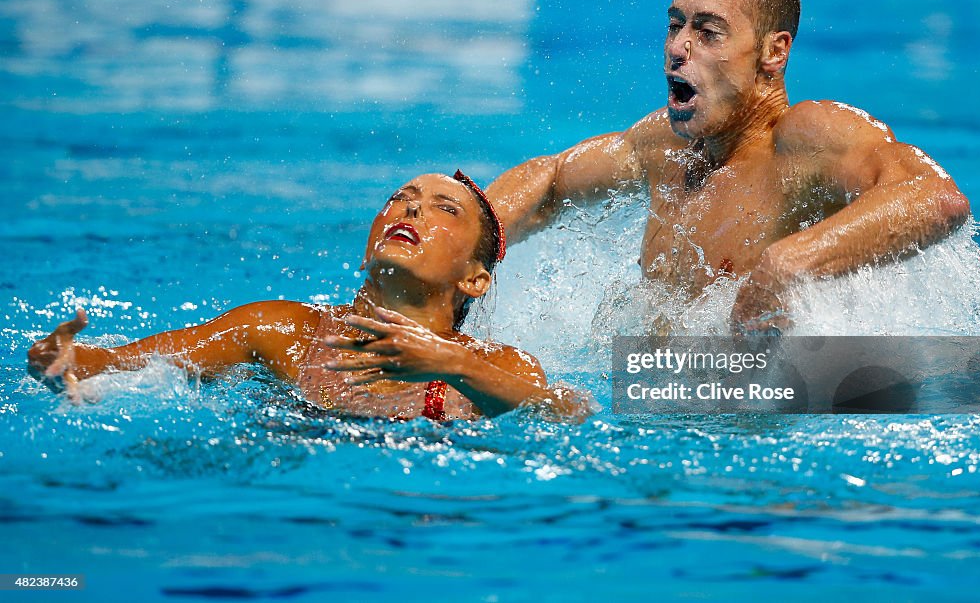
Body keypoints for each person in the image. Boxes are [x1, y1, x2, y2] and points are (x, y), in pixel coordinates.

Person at [486, 0, 970, 334]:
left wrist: (787, 265)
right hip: (659, 408)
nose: (677, 47)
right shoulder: (664, 146)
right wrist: (460, 236)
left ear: (773, 51)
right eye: (676, 25)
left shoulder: (807, 139)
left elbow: (936, 199)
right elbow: (551, 181)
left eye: (708, 32)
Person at [28, 172, 583, 420]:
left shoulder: (492, 366)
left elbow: (565, 411)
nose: (411, 209)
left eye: (445, 208)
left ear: (475, 278)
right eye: (401, 197)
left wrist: (450, 363)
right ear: (368, 249)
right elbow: (123, 363)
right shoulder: (283, 333)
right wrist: (63, 359)